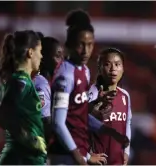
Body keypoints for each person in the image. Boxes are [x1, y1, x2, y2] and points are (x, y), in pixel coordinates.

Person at [48, 9, 129, 165]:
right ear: (71, 44)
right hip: (64, 155)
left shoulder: (84, 71)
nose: (86, 50)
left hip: (79, 152)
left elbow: (80, 114)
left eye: (90, 44)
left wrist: (107, 131)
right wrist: (80, 157)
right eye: (81, 45)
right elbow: (58, 123)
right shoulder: (65, 76)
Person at [0, 30, 46, 165]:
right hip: (23, 159)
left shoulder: (14, 80)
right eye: (40, 51)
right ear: (30, 53)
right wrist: (29, 139)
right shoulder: (21, 82)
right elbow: (2, 111)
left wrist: (15, 133)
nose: (42, 56)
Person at [89, 48, 132, 165]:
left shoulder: (125, 95)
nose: (113, 69)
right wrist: (87, 155)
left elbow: (127, 123)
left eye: (117, 64)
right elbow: (78, 124)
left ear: (123, 68)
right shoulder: (91, 93)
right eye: (107, 64)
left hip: (117, 161)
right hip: (98, 161)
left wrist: (126, 151)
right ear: (100, 68)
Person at [32, 33, 64, 142]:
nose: (62, 62)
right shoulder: (41, 85)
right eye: (58, 56)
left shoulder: (49, 84)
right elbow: (44, 124)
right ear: (44, 59)